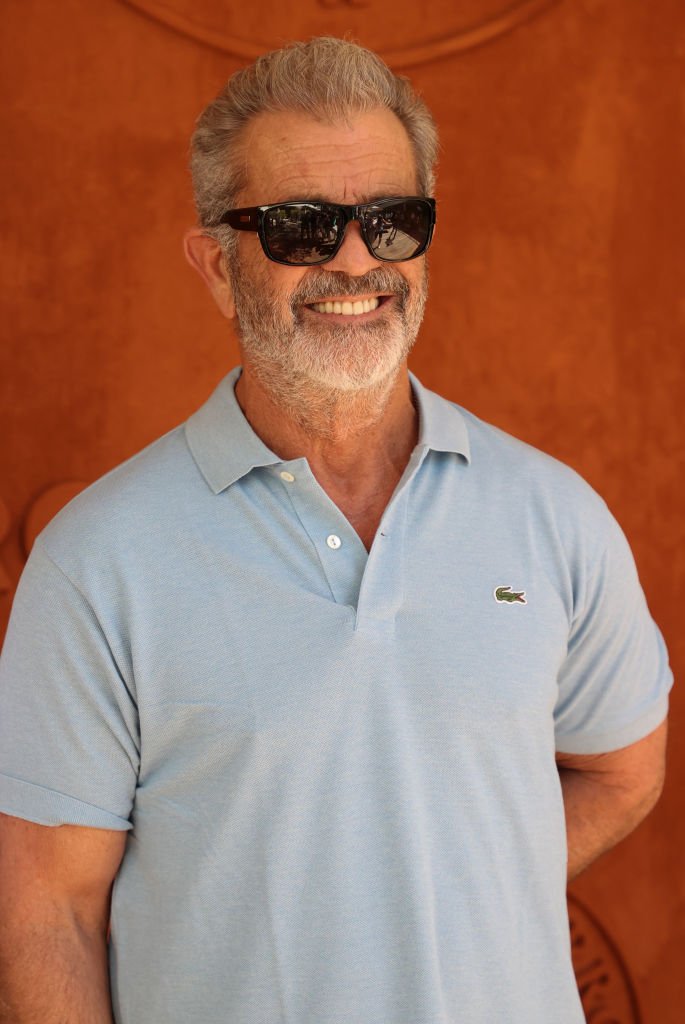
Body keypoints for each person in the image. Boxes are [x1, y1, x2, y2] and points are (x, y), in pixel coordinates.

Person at [0, 37, 672, 1024]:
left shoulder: (555, 516)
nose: (356, 262)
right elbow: (44, 910)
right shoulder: (96, 563)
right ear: (218, 266)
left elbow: (625, 770)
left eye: (393, 222)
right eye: (301, 228)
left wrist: (428, 890)